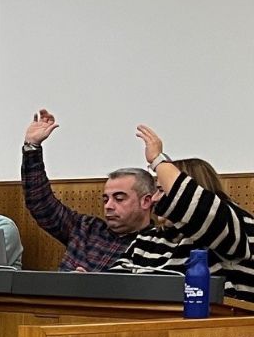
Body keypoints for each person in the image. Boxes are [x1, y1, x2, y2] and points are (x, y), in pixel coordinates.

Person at [114, 125, 254, 301]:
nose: (154, 199)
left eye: (161, 190)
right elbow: (115, 284)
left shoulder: (235, 225)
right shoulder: (149, 238)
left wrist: (158, 160)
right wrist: (88, 281)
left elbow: (197, 207)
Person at [21, 109, 162, 272]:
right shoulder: (86, 229)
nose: (108, 206)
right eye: (106, 199)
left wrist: (92, 285)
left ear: (146, 201)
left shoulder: (156, 246)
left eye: (119, 198)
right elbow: (40, 203)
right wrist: (32, 147)